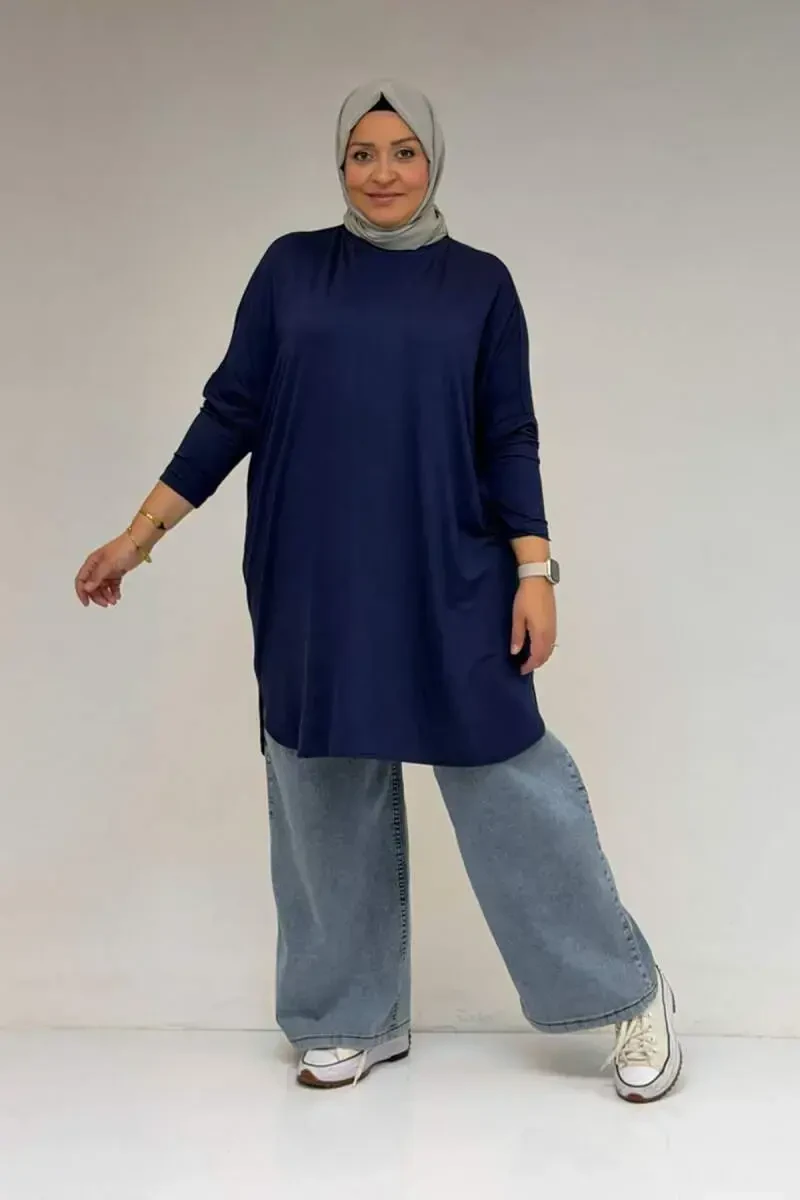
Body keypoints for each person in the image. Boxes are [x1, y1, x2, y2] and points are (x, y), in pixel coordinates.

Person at [74, 79, 682, 1102]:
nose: (383, 172)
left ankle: (629, 994)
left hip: (451, 569)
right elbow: (230, 411)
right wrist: (138, 538)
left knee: (507, 785)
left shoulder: (479, 285)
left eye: (403, 152)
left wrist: (534, 571)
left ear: (432, 162)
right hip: (312, 573)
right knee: (319, 786)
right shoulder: (291, 270)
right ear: (339, 165)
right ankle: (348, 1014)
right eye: (363, 153)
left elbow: (508, 436)